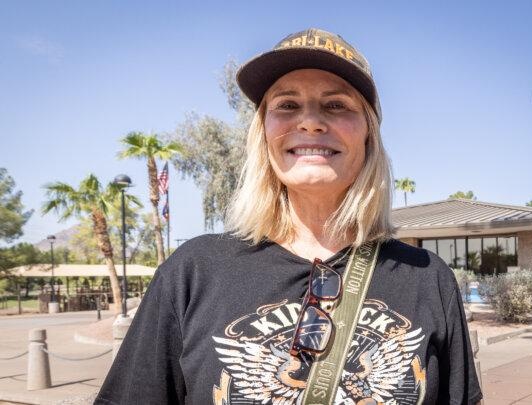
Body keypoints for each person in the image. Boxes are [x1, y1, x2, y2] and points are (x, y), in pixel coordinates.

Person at [95, 28, 482, 405]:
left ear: (368, 133)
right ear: (263, 132)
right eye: (287, 105)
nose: (310, 121)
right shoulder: (193, 272)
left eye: (336, 105)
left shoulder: (427, 278)